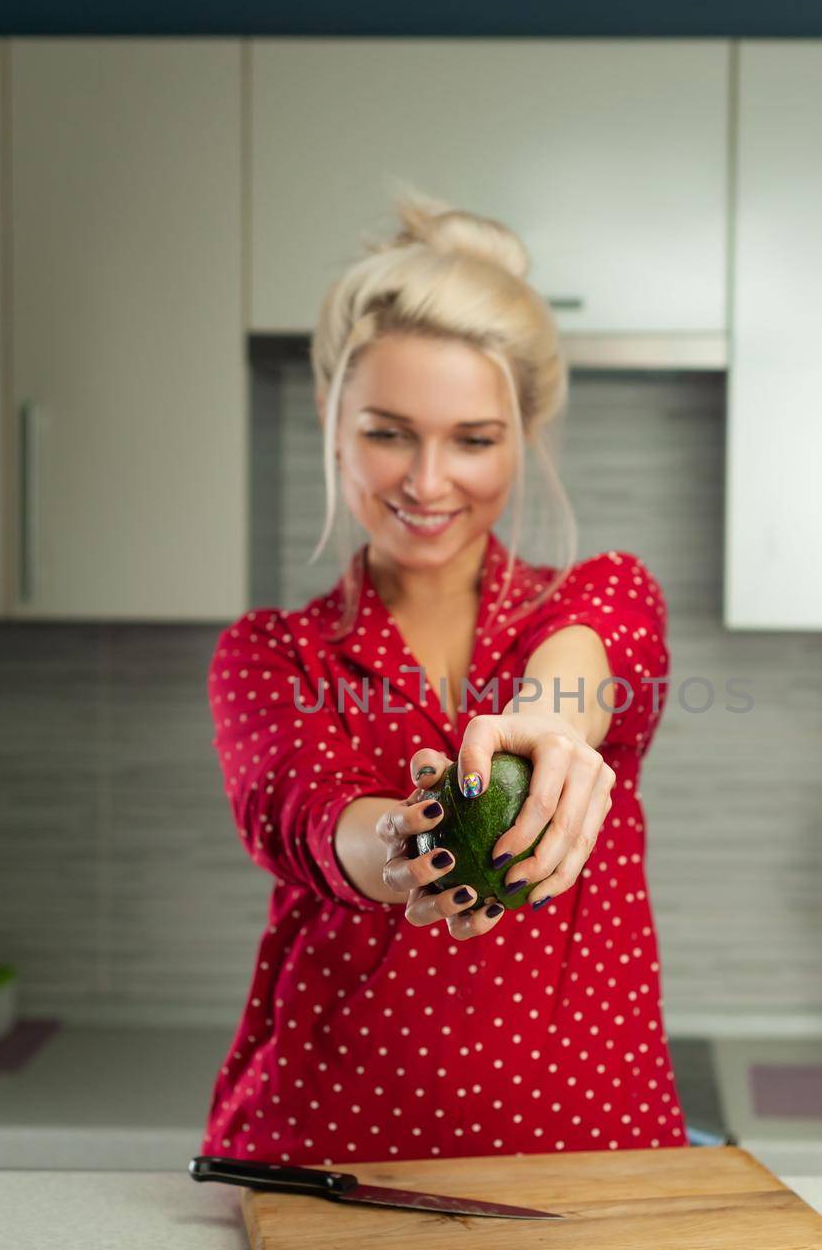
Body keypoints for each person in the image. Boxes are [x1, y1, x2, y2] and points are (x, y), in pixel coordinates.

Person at [200, 185, 689, 1166]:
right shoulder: (270, 655)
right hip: (326, 1165)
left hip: (594, 1166)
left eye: (472, 439)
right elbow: (300, 815)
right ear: (332, 422)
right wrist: (409, 842)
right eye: (388, 432)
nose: (427, 482)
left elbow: (584, 667)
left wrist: (547, 730)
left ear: (526, 435)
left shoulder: (602, 596)